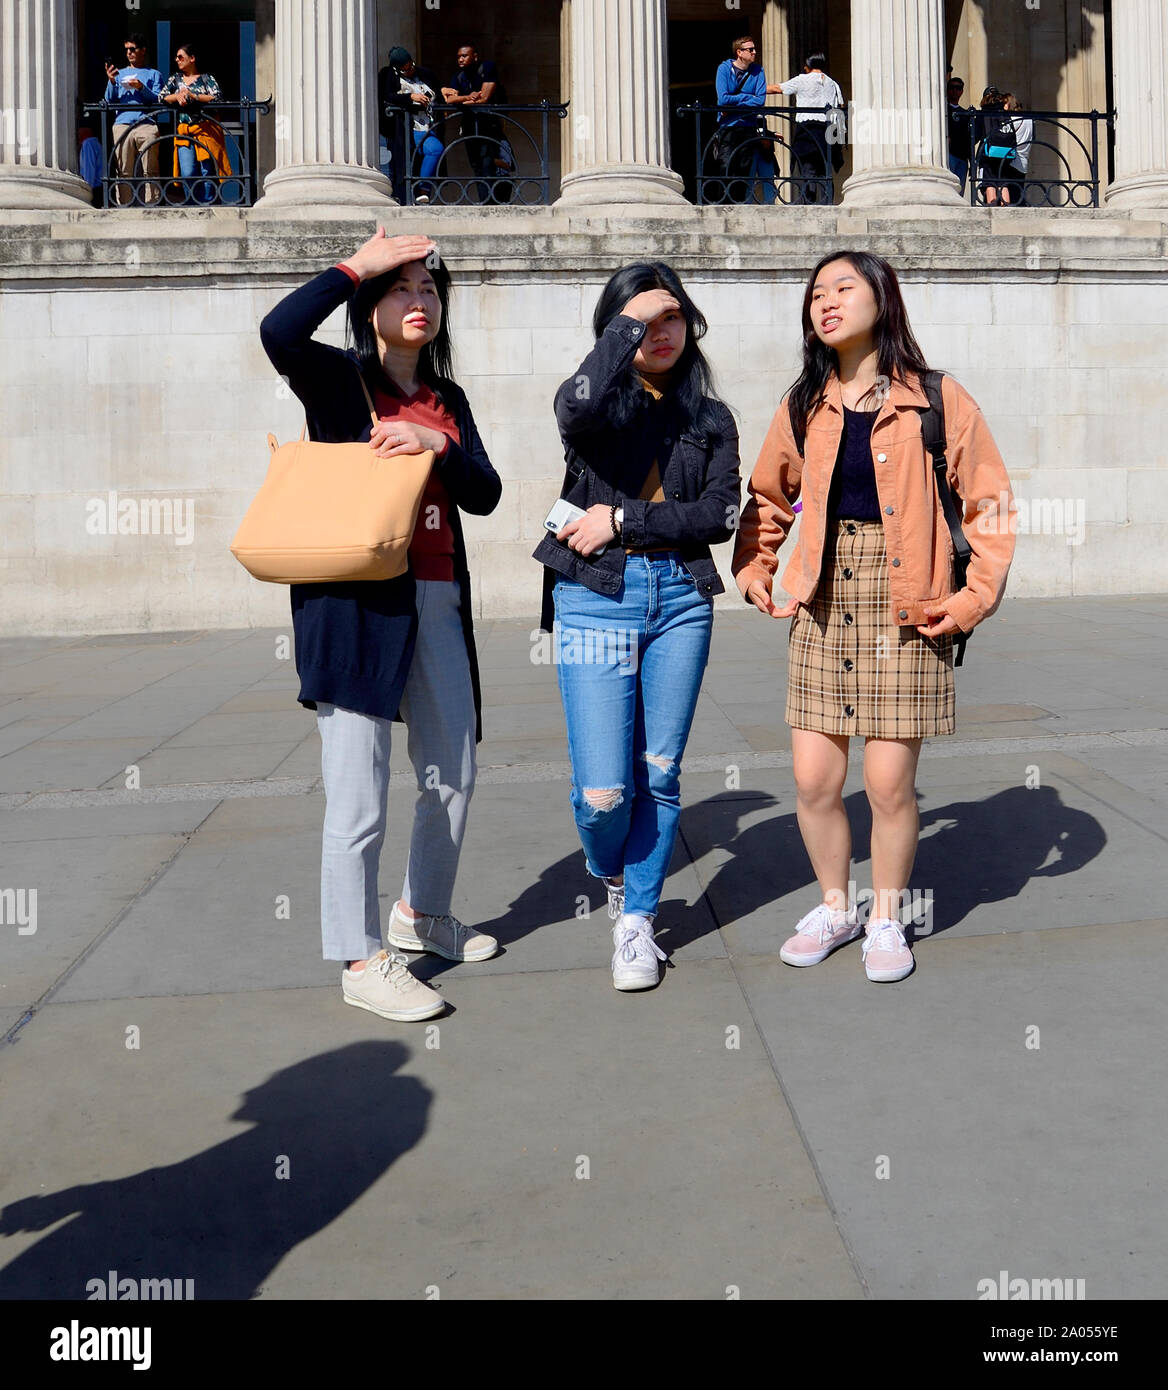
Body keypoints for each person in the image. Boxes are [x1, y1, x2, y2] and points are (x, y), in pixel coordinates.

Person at [732, 251, 1015, 983]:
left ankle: (886, 919)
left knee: (889, 785)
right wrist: (754, 566)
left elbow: (988, 504)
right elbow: (768, 497)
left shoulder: (938, 399)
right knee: (816, 783)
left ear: (881, 300)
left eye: (843, 288)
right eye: (816, 293)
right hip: (823, 601)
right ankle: (837, 906)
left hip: (907, 604)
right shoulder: (805, 403)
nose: (825, 302)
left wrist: (971, 597)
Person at [259, 228, 503, 1022]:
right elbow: (279, 332)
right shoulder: (339, 384)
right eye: (401, 289)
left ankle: (420, 915)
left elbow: (486, 492)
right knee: (358, 794)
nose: (420, 301)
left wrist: (437, 443)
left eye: (430, 289)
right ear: (370, 307)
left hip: (437, 599)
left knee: (452, 772)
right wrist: (354, 265)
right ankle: (360, 957)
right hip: (357, 606)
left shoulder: (448, 399)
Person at [532, 264, 741, 992]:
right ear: (616, 329)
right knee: (602, 795)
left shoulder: (710, 419)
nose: (662, 332)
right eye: (643, 321)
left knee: (658, 771)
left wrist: (622, 518)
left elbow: (717, 515)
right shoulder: (593, 406)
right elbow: (575, 403)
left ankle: (636, 922)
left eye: (673, 317)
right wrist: (630, 323)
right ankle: (606, 866)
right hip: (594, 597)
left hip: (682, 596)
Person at [441, 44, 513, 205]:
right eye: (459, 56)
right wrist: (468, 97)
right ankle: (486, 202)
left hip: (491, 125)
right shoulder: (458, 77)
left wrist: (462, 102)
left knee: (499, 163)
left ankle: (496, 201)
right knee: (478, 166)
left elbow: (484, 99)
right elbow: (450, 99)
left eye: (465, 56)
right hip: (469, 126)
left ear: (475, 56)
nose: (461, 59)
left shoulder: (487, 68)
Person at [713, 37, 781, 204]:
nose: (754, 52)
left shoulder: (759, 70)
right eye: (750, 49)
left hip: (748, 127)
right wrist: (746, 97)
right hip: (729, 127)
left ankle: (740, 205)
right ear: (739, 52)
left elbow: (760, 101)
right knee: (726, 166)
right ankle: (725, 204)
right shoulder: (723, 69)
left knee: (744, 169)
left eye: (754, 49)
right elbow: (722, 99)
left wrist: (735, 101)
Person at [158, 43, 227, 204]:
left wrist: (192, 95)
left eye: (180, 57)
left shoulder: (206, 79)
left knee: (207, 171)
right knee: (188, 171)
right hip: (185, 132)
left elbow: (217, 97)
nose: (177, 60)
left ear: (192, 58)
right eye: (176, 57)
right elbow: (162, 97)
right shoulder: (175, 79)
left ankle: (207, 202)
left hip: (205, 130)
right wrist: (178, 95)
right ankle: (195, 202)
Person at [102, 33, 163, 206]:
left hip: (146, 123)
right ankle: (124, 206)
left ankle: (153, 204)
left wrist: (141, 87)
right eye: (127, 50)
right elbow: (109, 100)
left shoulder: (154, 74)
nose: (129, 53)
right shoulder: (119, 74)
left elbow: (159, 99)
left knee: (150, 168)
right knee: (123, 169)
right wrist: (112, 81)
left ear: (143, 51)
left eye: (132, 49)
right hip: (122, 123)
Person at [777, 52, 845, 205]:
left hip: (808, 130)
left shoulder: (803, 79)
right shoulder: (833, 83)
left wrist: (756, 89)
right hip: (827, 131)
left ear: (808, 66)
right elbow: (840, 107)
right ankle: (826, 202)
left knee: (808, 168)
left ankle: (809, 202)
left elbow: (778, 88)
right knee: (824, 171)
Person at [379, 47, 443, 204]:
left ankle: (423, 190)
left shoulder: (424, 74)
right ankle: (407, 197)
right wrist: (410, 97)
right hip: (406, 127)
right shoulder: (389, 76)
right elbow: (386, 96)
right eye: (405, 69)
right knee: (403, 167)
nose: (409, 70)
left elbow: (438, 92)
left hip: (428, 125)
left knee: (436, 150)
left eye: (411, 66)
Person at [974, 86, 1015, 205]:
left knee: (989, 183)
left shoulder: (983, 114)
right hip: (1005, 154)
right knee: (1003, 183)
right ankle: (1006, 209)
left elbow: (976, 135)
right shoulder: (1004, 113)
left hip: (988, 154)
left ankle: (993, 209)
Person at [1001, 93, 1033, 205]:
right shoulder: (1029, 120)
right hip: (1024, 160)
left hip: (1011, 160)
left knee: (1010, 193)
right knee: (1018, 192)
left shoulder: (1010, 119)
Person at [946, 73, 972, 196]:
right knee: (949, 192)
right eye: (951, 87)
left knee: (959, 193)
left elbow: (970, 137)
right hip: (949, 155)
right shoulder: (943, 109)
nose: (955, 91)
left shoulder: (965, 113)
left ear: (962, 91)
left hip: (962, 158)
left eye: (958, 88)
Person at [78, 127, 103, 206]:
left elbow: (89, 168)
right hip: (98, 187)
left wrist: (87, 189)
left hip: (94, 189)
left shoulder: (88, 143)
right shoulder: (95, 144)